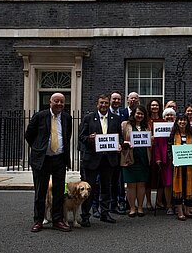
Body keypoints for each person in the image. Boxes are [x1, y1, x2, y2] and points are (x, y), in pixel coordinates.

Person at [25, 92, 72, 232]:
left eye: (62, 102)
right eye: (56, 101)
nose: (59, 104)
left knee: (59, 191)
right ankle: (38, 220)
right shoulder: (40, 116)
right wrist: (38, 148)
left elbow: (67, 135)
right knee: (41, 191)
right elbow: (29, 135)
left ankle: (57, 220)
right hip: (42, 159)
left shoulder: (67, 117)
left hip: (59, 159)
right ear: (50, 102)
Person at [79, 94, 123, 226]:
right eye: (101, 103)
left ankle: (105, 213)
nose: (103, 105)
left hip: (108, 159)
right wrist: (90, 138)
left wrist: (119, 144)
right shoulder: (89, 118)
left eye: (105, 103)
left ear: (109, 104)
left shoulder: (115, 118)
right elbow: (81, 137)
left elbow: (119, 137)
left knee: (106, 187)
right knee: (89, 188)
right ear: (97, 104)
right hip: (92, 158)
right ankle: (85, 216)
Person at [168, 114, 192, 221]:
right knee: (179, 188)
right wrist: (172, 159)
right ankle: (180, 212)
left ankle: (187, 210)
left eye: (184, 120)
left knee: (188, 188)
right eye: (180, 120)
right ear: (177, 122)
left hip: (190, 166)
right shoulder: (173, 135)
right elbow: (169, 149)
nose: (182, 122)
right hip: (178, 167)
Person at [153, 108, 176, 215]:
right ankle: (168, 205)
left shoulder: (178, 127)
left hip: (178, 157)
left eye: (171, 115)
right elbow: (156, 144)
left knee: (178, 182)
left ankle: (177, 203)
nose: (169, 117)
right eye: (167, 115)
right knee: (167, 183)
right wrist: (157, 157)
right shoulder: (159, 127)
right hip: (165, 159)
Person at [109, 91, 126, 215]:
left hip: (119, 152)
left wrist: (120, 143)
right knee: (105, 180)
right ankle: (106, 204)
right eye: (114, 99)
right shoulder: (105, 113)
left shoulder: (123, 113)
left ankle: (117, 203)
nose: (116, 101)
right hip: (104, 153)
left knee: (117, 180)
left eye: (118, 99)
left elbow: (121, 133)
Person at [145, 99, 163, 211]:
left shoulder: (163, 121)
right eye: (152, 105)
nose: (154, 107)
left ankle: (159, 201)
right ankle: (148, 202)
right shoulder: (146, 121)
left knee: (160, 177)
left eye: (156, 105)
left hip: (160, 152)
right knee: (148, 177)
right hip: (148, 151)